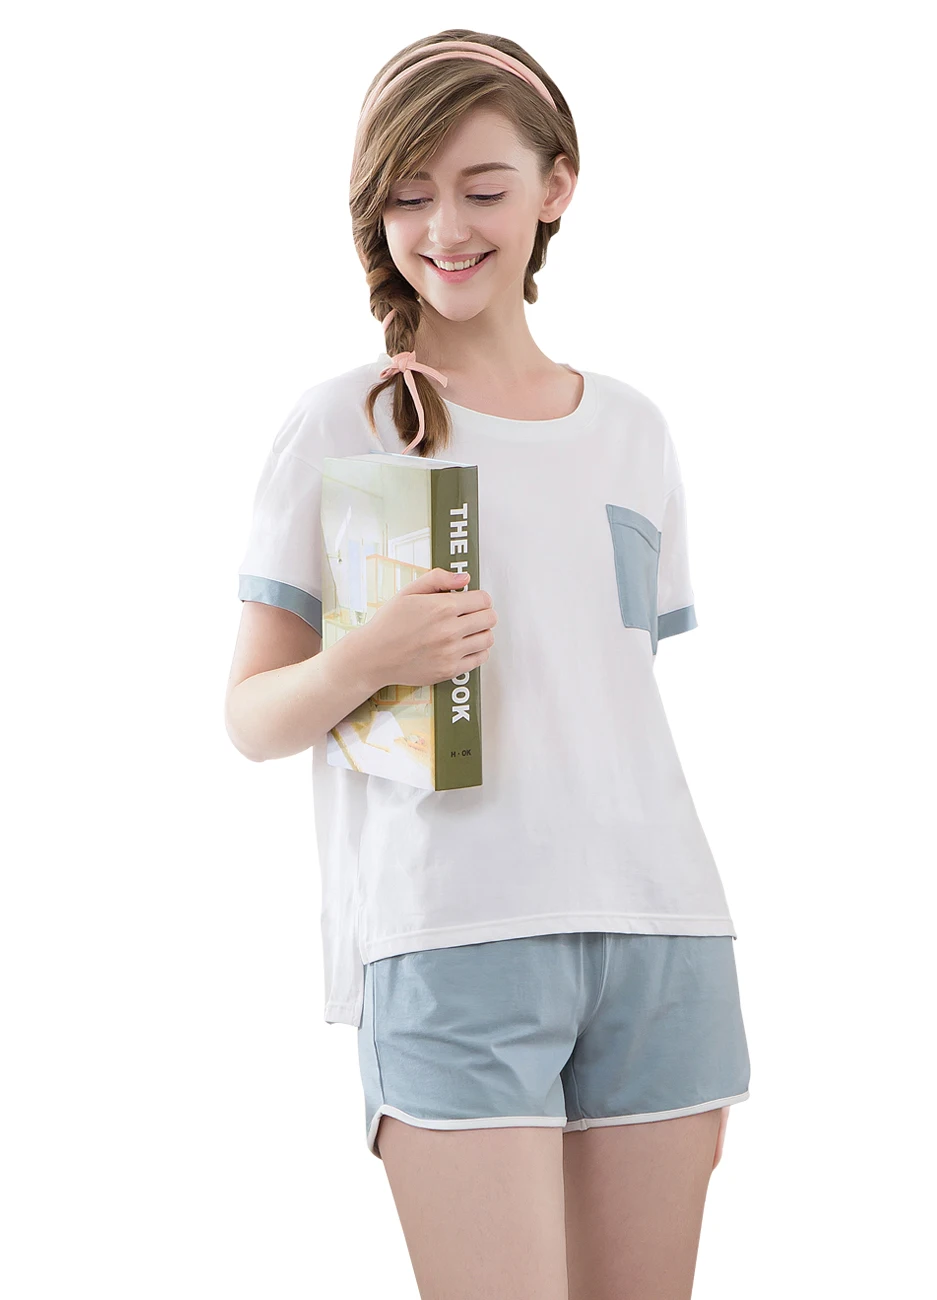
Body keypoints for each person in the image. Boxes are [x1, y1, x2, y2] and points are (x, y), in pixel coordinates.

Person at [225, 29, 751, 1300]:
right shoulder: (347, 420)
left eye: (482, 188)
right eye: (408, 196)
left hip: (664, 928)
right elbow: (251, 715)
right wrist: (369, 655)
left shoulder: (632, 429)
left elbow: (608, 695)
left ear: (556, 186)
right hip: (452, 935)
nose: (445, 228)